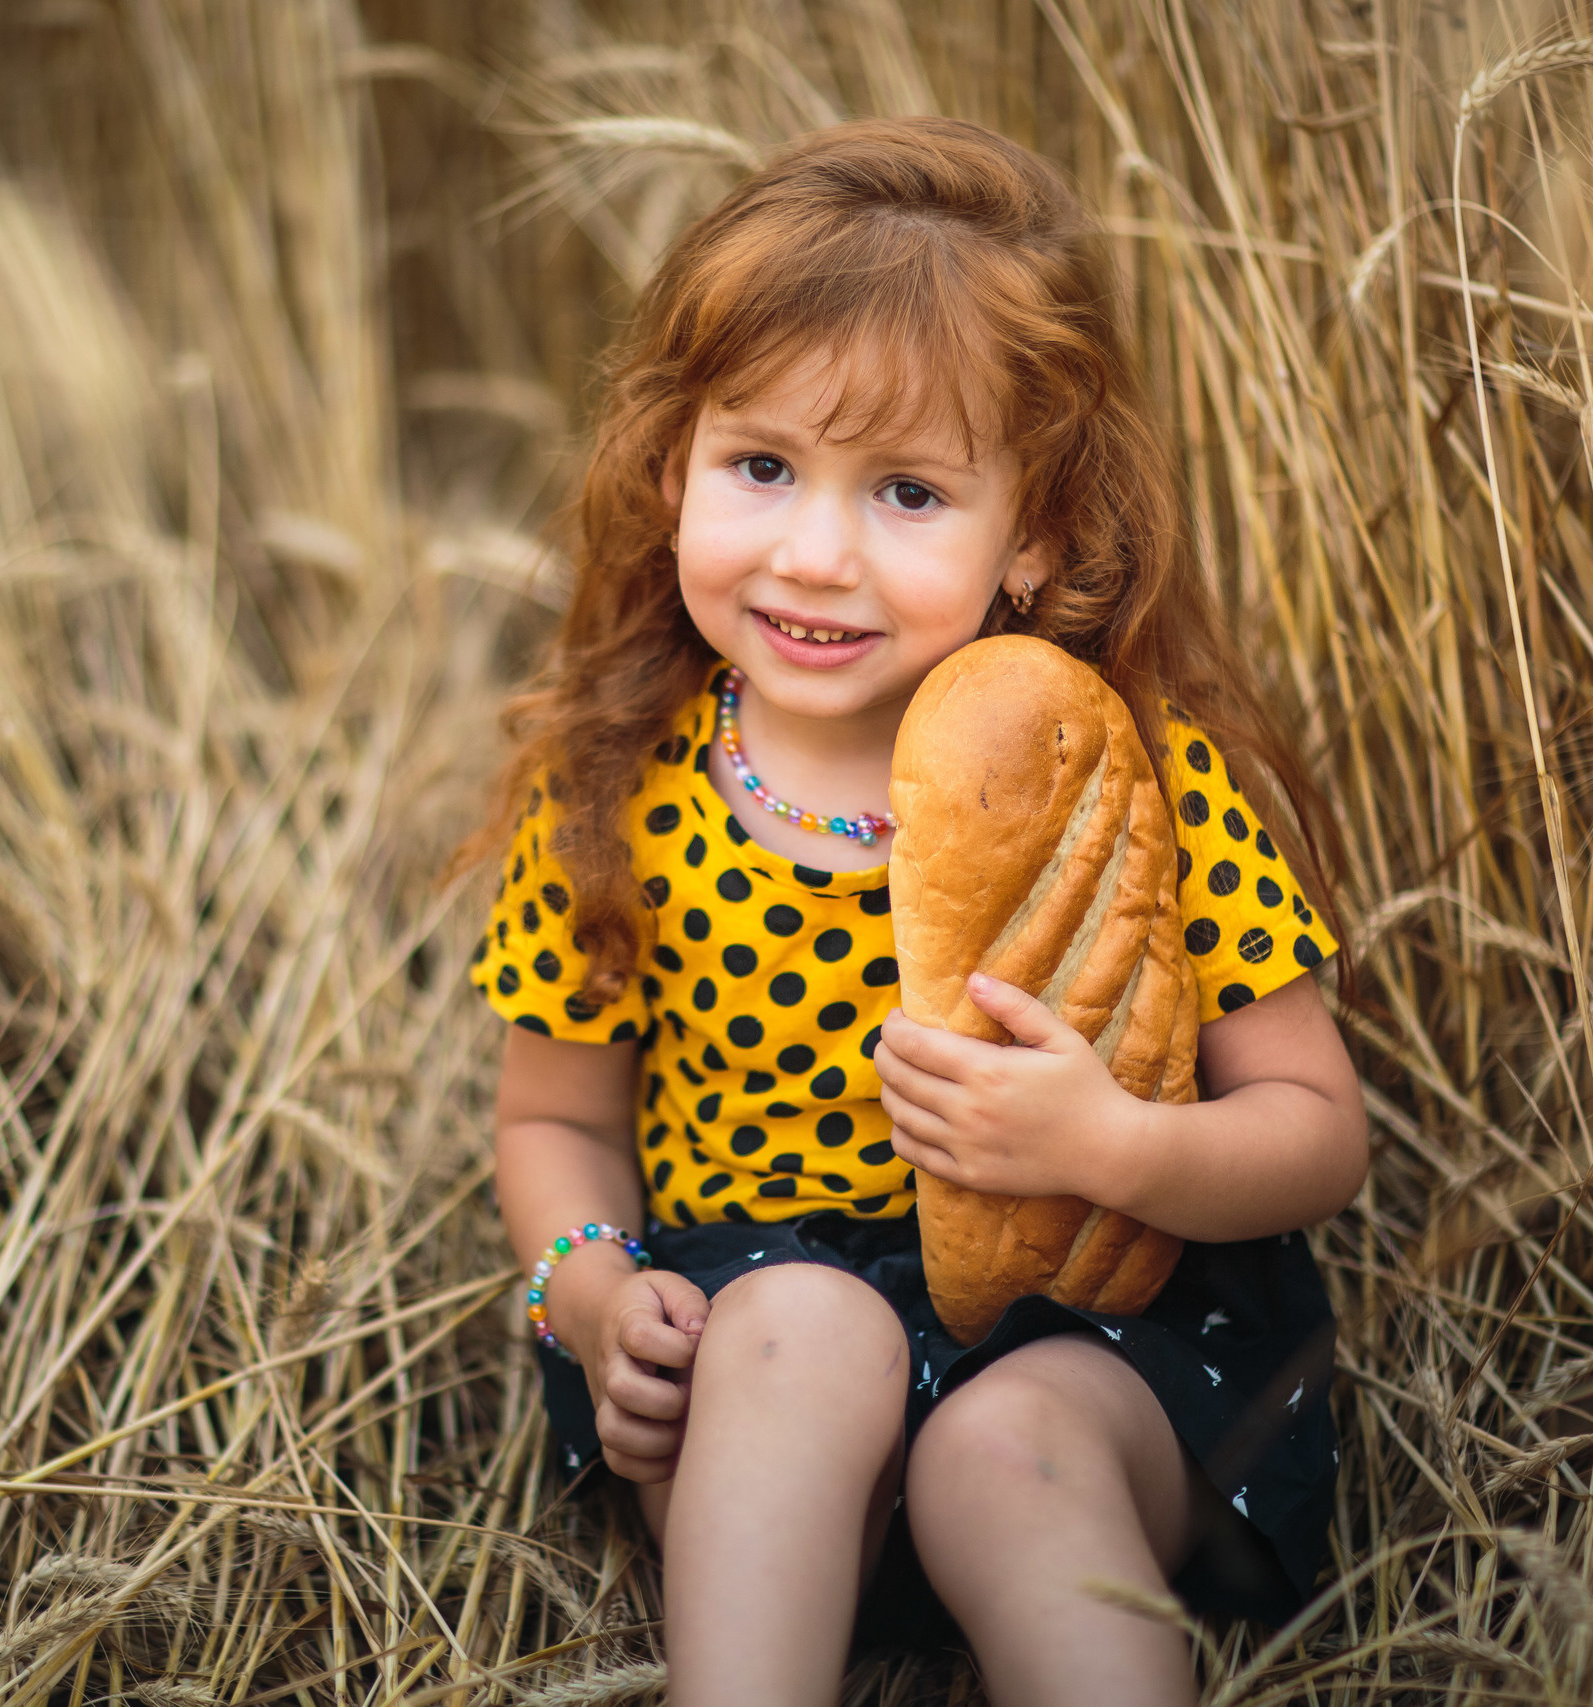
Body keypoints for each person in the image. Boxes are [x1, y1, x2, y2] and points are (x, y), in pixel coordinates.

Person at [462, 115, 1368, 1707]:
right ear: (671, 463)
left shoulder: (1135, 787)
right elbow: (555, 1122)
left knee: (1001, 1450)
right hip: (760, 1387)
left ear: (1040, 537)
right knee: (803, 1335)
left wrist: (1113, 1148)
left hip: (1093, 1358)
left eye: (906, 492)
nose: (816, 554)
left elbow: (1316, 1130)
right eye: (760, 467)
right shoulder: (617, 799)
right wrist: (594, 1292)